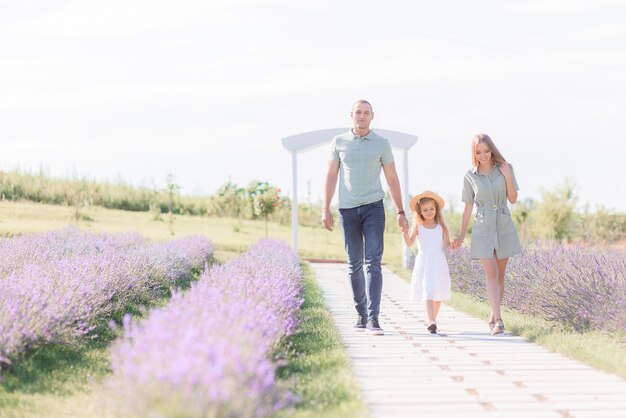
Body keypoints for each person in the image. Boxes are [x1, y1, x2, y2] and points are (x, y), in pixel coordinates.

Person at [322, 100, 409, 336]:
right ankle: (360, 314)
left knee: (373, 262)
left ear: (373, 116)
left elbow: (392, 178)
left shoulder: (382, 144)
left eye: (366, 113)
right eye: (358, 112)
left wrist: (401, 211)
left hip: (374, 208)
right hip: (347, 210)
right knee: (354, 264)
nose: (362, 116)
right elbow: (331, 175)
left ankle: (373, 318)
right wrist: (325, 208)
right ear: (351, 115)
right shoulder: (339, 142)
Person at [452, 133, 521, 335]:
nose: (483, 155)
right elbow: (467, 207)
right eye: (478, 152)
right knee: (490, 271)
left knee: (500, 275)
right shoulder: (469, 176)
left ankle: (493, 316)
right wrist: (461, 235)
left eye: (486, 151)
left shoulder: (505, 168)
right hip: (482, 226)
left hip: (503, 222)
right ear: (474, 153)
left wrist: (507, 176)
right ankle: (498, 320)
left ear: (492, 149)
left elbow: (513, 198)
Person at [403, 191, 452, 334]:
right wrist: (404, 233)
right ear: (420, 211)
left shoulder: (441, 227)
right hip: (424, 263)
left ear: (436, 209)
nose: (429, 212)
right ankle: (432, 321)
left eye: (432, 208)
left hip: (438, 262)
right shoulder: (418, 227)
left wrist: (453, 245)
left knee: (438, 293)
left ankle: (432, 320)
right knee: (428, 291)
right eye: (425, 210)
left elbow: (447, 246)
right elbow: (410, 242)